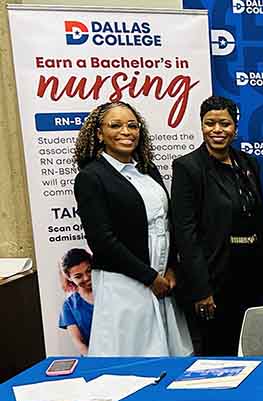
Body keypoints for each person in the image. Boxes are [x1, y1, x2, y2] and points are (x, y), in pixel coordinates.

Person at [73, 101, 192, 356]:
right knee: (133, 360)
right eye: (115, 125)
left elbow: (166, 225)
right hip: (125, 285)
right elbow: (102, 240)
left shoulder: (147, 170)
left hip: (162, 283)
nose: (126, 132)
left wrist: (171, 267)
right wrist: (148, 277)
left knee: (168, 358)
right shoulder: (91, 177)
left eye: (132, 125)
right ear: (99, 133)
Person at [170, 96, 263, 356]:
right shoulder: (188, 167)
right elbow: (185, 232)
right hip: (214, 283)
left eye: (224, 123)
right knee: (217, 356)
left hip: (250, 278)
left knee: (251, 352)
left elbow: (259, 221)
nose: (217, 130)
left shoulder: (248, 163)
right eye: (210, 123)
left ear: (235, 128)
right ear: (201, 126)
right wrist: (201, 290)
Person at [58, 248, 94, 355]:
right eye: (78, 276)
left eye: (89, 271)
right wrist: (95, 361)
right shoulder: (69, 305)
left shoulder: (110, 292)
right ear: (69, 278)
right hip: (92, 358)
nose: (87, 278)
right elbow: (78, 342)